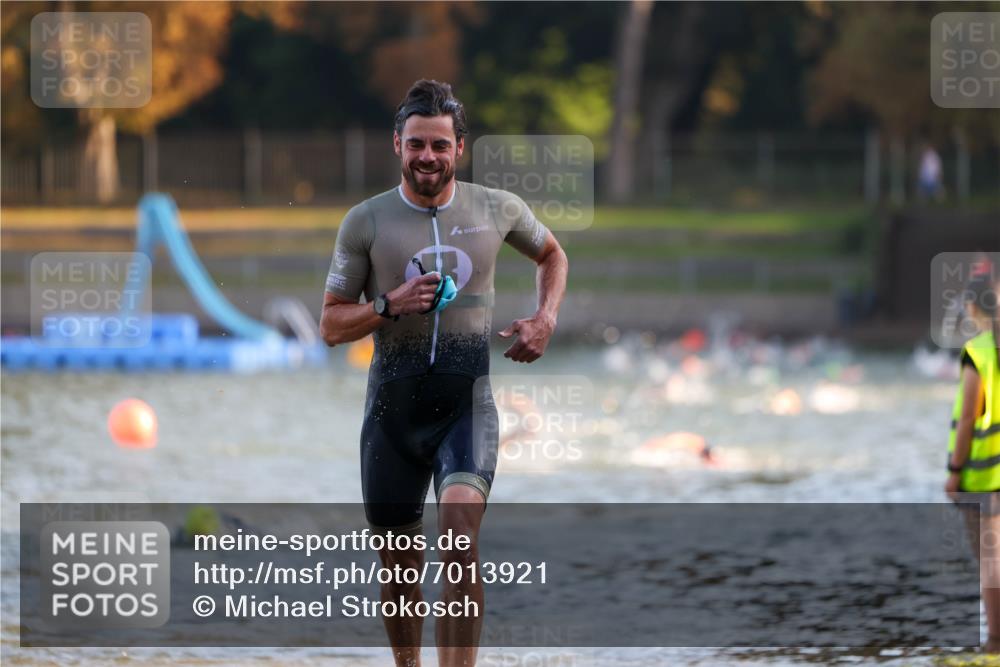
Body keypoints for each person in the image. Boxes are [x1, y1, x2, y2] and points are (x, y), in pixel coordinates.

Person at [319, 79, 568, 667]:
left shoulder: (497, 208)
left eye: (438, 144)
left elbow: (553, 254)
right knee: (400, 568)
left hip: (465, 405)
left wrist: (545, 318)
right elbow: (330, 325)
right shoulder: (365, 222)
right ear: (397, 146)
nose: (426, 157)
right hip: (392, 417)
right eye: (415, 145)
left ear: (460, 147)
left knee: (460, 538)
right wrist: (386, 305)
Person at [945, 262, 1000, 652]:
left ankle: (995, 639)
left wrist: (954, 471)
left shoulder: (977, 351)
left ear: (971, 306)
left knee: (990, 560)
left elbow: (967, 418)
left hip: (983, 476)